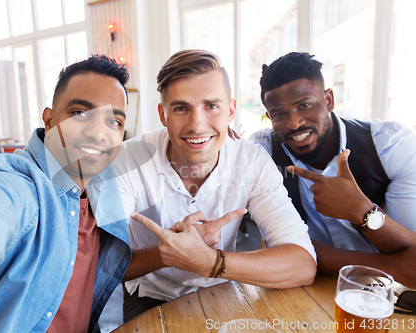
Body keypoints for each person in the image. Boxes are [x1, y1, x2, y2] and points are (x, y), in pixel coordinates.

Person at [0, 55, 132, 333]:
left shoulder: (102, 183)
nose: (99, 133)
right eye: (80, 113)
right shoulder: (16, 183)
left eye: (114, 121)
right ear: (50, 119)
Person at [115, 49, 317, 322]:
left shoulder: (251, 160)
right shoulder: (128, 159)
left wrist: (210, 262)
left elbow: (303, 264)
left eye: (211, 106)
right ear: (163, 115)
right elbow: (102, 264)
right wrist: (169, 254)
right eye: (181, 108)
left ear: (231, 110)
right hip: (150, 294)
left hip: (223, 286)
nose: (197, 125)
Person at [250, 52, 416, 288]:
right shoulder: (262, 153)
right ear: (269, 117)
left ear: (328, 100)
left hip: (392, 294)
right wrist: (392, 268)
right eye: (279, 114)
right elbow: (286, 249)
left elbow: (412, 245)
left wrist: (361, 212)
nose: (294, 123)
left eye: (304, 105)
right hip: (306, 287)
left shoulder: (389, 145)